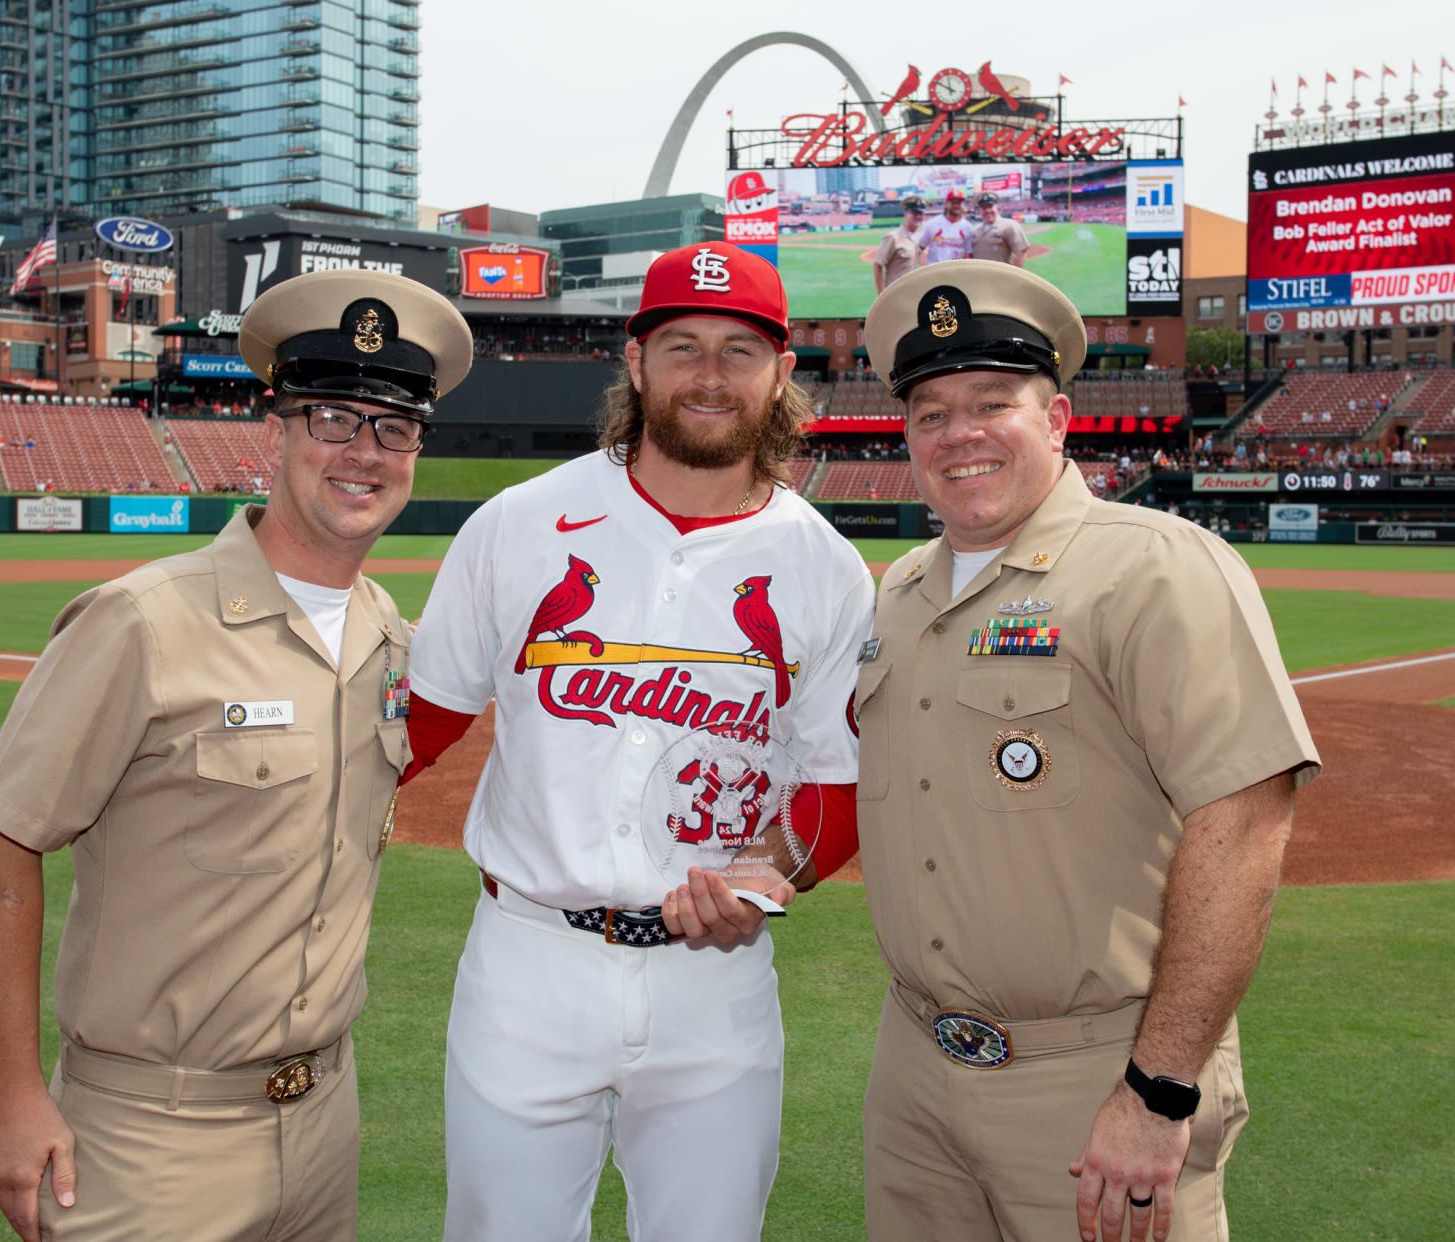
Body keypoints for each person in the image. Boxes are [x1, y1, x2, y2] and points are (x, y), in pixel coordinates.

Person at [0, 268, 472, 1242]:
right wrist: (12, 1090)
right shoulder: (142, 621)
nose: (364, 452)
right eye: (331, 417)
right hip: (152, 1135)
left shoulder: (389, 638)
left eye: (394, 427)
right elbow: (1, 841)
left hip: (324, 1122)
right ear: (274, 433)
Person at [402, 241, 871, 1242]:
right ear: (637, 360)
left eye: (740, 350)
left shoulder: (827, 569)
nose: (711, 374)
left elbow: (836, 789)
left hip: (715, 979)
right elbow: (416, 728)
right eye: (684, 346)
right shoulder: (520, 525)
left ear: (783, 373)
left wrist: (769, 868)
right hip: (528, 964)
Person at [854, 261, 1321, 1242]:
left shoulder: (1155, 568)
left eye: (994, 402)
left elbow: (1242, 824)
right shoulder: (896, 594)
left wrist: (1158, 1090)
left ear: (1059, 417)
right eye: (931, 412)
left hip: (1094, 1077)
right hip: (915, 1075)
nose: (961, 432)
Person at [873, 195, 927, 292]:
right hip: (896, 293)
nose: (918, 216)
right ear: (906, 214)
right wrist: (880, 292)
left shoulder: (920, 237)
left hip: (915, 291)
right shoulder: (893, 237)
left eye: (920, 213)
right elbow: (877, 264)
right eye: (914, 213)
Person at [915, 188, 978, 265]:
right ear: (946, 203)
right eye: (953, 202)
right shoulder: (931, 224)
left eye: (959, 202)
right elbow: (920, 248)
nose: (956, 205)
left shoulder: (968, 228)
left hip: (956, 271)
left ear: (963, 204)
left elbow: (969, 254)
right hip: (935, 271)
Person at [970, 193, 1031, 267]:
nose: (988, 210)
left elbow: (1021, 250)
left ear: (997, 208)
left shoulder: (1009, 225)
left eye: (990, 206)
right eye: (984, 208)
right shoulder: (975, 230)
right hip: (980, 276)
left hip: (1002, 276)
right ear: (980, 210)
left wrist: (1015, 275)